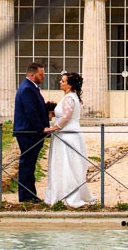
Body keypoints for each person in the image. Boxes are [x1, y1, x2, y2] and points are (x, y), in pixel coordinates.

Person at [43, 71, 96, 207]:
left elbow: (66, 116)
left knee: (67, 165)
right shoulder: (70, 97)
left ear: (70, 85)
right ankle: (63, 194)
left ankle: (67, 195)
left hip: (67, 136)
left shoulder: (69, 98)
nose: (60, 82)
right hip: (69, 134)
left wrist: (53, 128)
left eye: (63, 81)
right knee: (67, 165)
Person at [13, 62, 54, 203]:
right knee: (27, 164)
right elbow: (30, 111)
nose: (43, 77)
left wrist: (46, 106)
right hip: (28, 132)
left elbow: (35, 107)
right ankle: (25, 196)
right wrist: (41, 128)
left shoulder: (31, 88)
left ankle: (30, 194)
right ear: (32, 74)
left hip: (30, 132)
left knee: (30, 164)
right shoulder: (27, 89)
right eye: (41, 74)